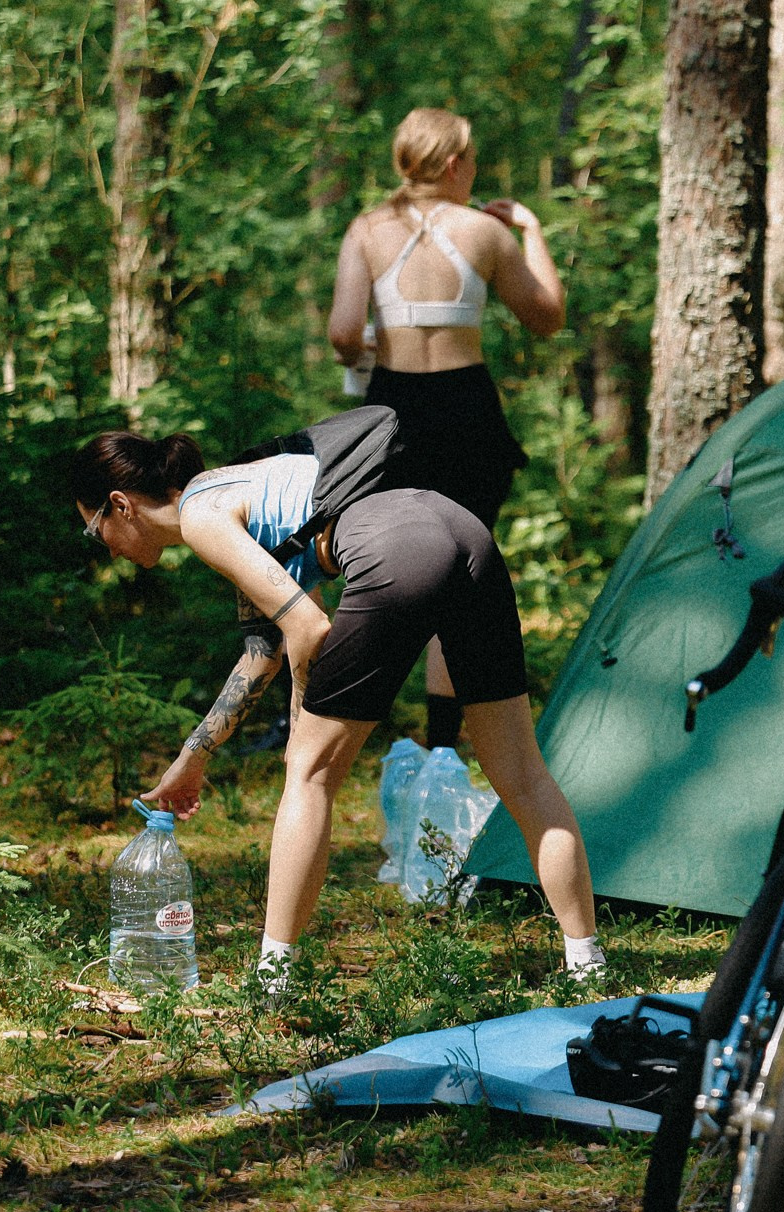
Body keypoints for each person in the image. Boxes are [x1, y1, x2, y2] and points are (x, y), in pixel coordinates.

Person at [71, 432, 606, 985]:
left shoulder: (202, 515)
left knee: (308, 775)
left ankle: (274, 979)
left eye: (96, 531)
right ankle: (587, 962)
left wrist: (303, 720)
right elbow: (264, 650)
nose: (105, 547)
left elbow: (307, 627)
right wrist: (193, 757)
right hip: (463, 528)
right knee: (521, 773)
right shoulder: (231, 491)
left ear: (121, 504)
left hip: (395, 547)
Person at [327, 107, 564, 752]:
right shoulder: (485, 233)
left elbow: (344, 335)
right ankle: (441, 747)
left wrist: (371, 346)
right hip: (466, 409)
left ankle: (336, 721)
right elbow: (546, 315)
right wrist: (532, 229)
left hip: (392, 413)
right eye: (474, 157)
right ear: (455, 163)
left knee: (389, 562)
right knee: (461, 564)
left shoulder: (369, 228)